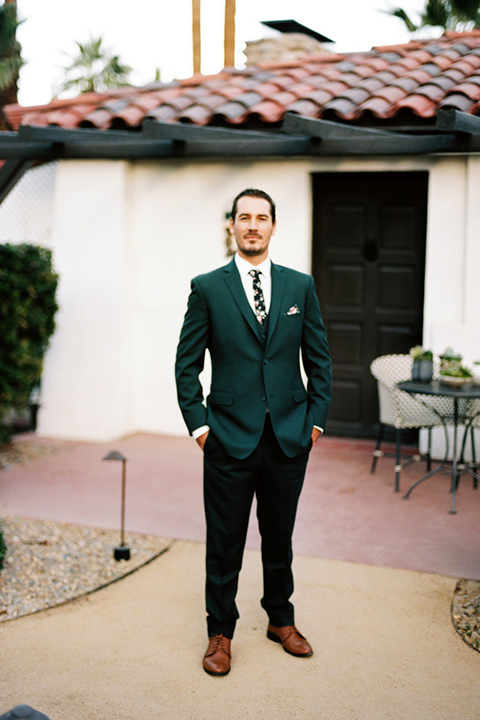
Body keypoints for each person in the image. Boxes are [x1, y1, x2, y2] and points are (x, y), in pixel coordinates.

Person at [175, 188, 332, 676]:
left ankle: (280, 619)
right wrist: (201, 428)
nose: (252, 226)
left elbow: (320, 360)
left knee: (279, 536)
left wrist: (315, 422)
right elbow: (186, 366)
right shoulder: (207, 287)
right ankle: (219, 632)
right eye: (244, 217)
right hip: (226, 437)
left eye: (262, 218)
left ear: (273, 227)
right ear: (232, 226)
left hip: (288, 436)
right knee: (224, 541)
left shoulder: (299, 286)